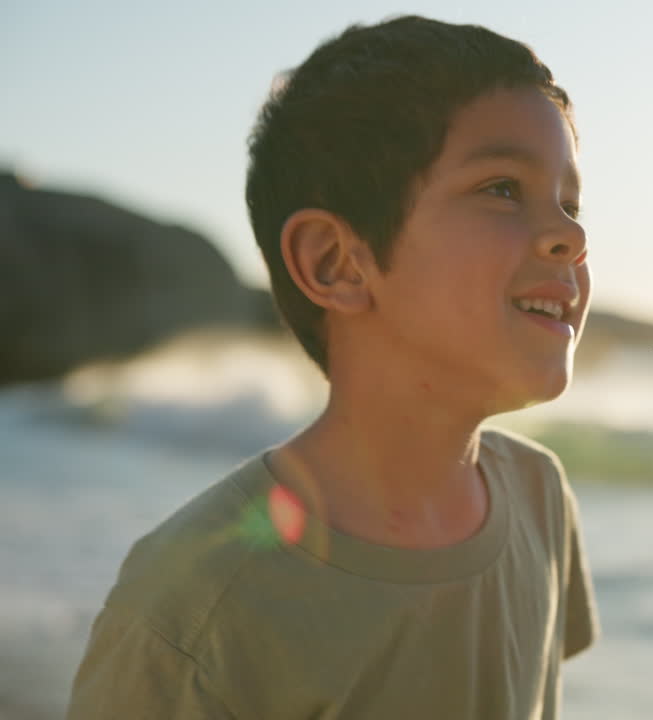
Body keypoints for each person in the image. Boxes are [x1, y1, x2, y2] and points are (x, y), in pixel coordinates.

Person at [66, 16, 597, 719]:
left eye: (570, 202)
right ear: (335, 264)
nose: (572, 235)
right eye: (502, 188)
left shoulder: (540, 496)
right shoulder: (190, 613)